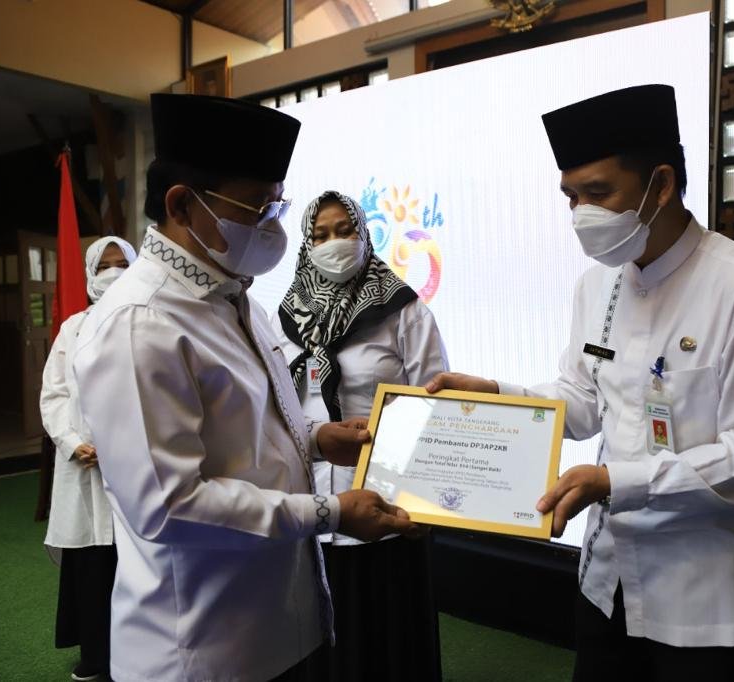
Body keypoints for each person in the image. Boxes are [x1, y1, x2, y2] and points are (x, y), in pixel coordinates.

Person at [426, 84, 734, 681]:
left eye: (598, 193)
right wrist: (497, 397)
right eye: (571, 197)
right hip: (607, 577)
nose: (582, 213)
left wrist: (612, 481)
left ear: (661, 184)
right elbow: (582, 402)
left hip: (702, 594)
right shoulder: (597, 284)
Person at [71, 94, 418, 682]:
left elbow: (247, 428)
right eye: (257, 206)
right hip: (203, 649)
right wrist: (330, 511)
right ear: (182, 204)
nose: (273, 226)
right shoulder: (140, 324)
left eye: (276, 204)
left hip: (279, 624)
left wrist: (317, 439)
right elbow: (169, 507)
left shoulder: (236, 297)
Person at [273, 190, 448, 681]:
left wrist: (426, 498)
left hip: (386, 504)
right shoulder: (285, 318)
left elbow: (435, 407)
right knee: (320, 643)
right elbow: (277, 406)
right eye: (321, 235)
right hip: (311, 504)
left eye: (344, 230)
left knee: (387, 638)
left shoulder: (403, 310)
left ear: (364, 234)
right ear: (307, 245)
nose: (334, 243)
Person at [41, 236, 136, 681]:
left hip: (133, 467)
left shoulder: (146, 323)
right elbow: (54, 393)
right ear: (89, 274)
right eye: (103, 266)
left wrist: (124, 444)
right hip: (83, 466)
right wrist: (72, 441)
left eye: (122, 264)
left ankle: (136, 655)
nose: (113, 273)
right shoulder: (72, 329)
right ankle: (97, 656)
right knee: (93, 564)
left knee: (133, 564)